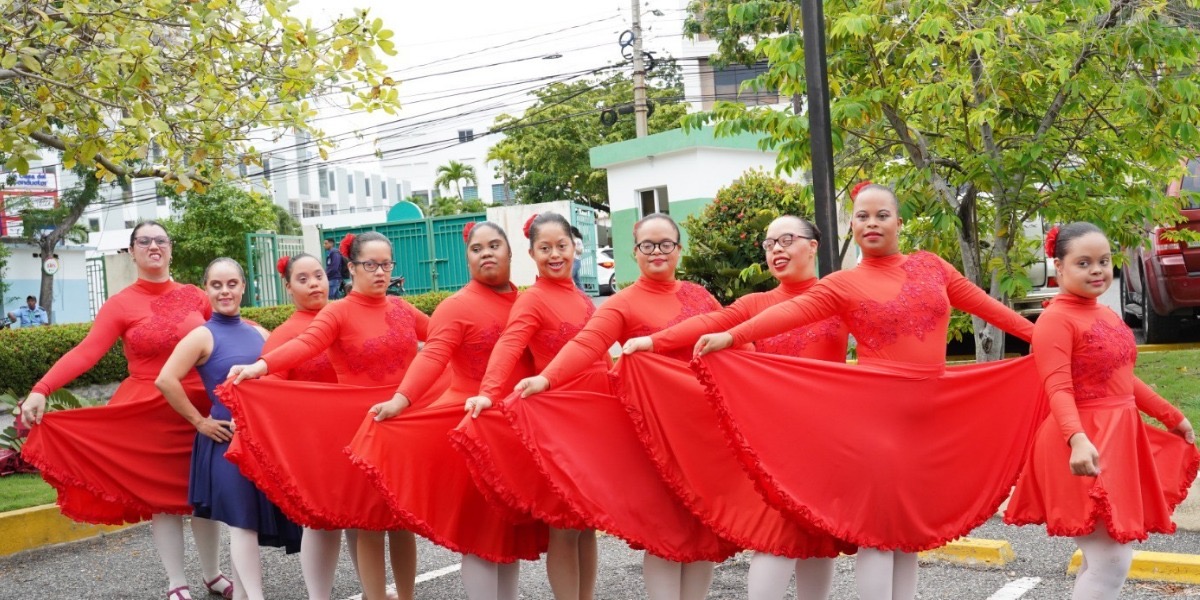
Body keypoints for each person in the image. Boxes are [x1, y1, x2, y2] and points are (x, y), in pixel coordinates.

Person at [692, 184, 1046, 600]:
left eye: (881, 215)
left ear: (899, 222)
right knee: (879, 531)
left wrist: (1044, 338)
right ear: (853, 227)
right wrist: (732, 336)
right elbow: (788, 313)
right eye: (862, 217)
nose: (871, 223)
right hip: (875, 417)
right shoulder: (843, 283)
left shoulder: (932, 267)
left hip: (931, 415)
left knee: (907, 532)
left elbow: (987, 307)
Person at [622, 215, 853, 600]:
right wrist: (653, 343)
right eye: (769, 243)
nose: (776, 249)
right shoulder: (755, 303)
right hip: (777, 442)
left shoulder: (839, 295)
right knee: (776, 539)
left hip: (829, 438)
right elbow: (713, 321)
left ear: (813, 245)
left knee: (819, 539)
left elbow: (881, 339)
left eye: (785, 240)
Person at [508, 213, 737, 600]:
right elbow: (587, 344)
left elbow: (734, 338)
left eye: (665, 243)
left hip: (705, 430)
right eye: (648, 245)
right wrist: (546, 379)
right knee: (667, 533)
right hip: (657, 433)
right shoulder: (622, 303)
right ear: (635, 253)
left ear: (679, 249)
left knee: (705, 527)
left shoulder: (700, 296)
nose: (657, 251)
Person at [19, 221, 233, 600]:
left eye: (160, 240)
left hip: (200, 410)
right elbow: (87, 352)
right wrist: (42, 389)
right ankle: (176, 582)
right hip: (149, 415)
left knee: (205, 495)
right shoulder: (120, 304)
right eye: (144, 241)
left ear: (170, 248)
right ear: (131, 252)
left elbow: (228, 337)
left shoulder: (197, 296)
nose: (153, 246)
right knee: (163, 501)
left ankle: (213, 574)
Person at [226, 231, 440, 600]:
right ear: (352, 268)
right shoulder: (338, 312)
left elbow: (443, 336)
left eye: (386, 265)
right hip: (364, 427)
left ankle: (407, 597)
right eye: (370, 265)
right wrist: (260, 366)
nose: (380, 272)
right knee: (371, 524)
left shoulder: (402, 308)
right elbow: (306, 343)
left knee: (403, 522)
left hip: (403, 422)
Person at [350, 221, 548, 600]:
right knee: (482, 536)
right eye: (476, 248)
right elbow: (433, 356)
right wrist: (400, 400)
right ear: (467, 258)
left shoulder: (528, 302)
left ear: (510, 252)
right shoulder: (457, 306)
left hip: (518, 427)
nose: (486, 253)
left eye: (494, 245)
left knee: (511, 533)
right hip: (475, 427)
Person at [1004, 222, 1199, 600]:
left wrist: (1171, 416)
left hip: (1116, 438)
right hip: (1082, 442)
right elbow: (1058, 389)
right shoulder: (1055, 320)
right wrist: (1076, 440)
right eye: (1084, 263)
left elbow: (1123, 378)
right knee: (1110, 560)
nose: (1097, 270)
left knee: (1104, 558)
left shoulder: (1106, 314)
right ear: (1059, 266)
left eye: (1104, 261)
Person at [459, 213, 604, 600]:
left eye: (561, 246)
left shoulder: (582, 297)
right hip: (561, 423)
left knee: (587, 525)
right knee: (565, 526)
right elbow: (509, 345)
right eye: (545, 248)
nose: (555, 254)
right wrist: (488, 392)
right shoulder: (533, 299)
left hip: (596, 420)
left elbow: (599, 351)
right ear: (531, 254)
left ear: (575, 248)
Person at [156, 258, 303, 600]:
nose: (225, 291)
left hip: (260, 442)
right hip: (225, 442)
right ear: (206, 290)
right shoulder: (202, 335)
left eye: (232, 284)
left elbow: (279, 379)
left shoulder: (259, 333)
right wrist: (200, 422)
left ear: (243, 287)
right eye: (216, 285)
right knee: (242, 522)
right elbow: (165, 379)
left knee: (247, 521)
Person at [222, 253, 354, 600]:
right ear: (288, 287)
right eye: (303, 279)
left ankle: (372, 589)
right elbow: (268, 386)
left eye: (319, 276)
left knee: (362, 519)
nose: (314, 284)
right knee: (322, 522)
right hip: (314, 444)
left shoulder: (348, 317)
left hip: (356, 433)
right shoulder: (285, 334)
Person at [569, 225, 584, 290]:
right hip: (570, 261)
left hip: (576, 261)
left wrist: (574, 246)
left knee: (569, 277)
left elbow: (580, 252)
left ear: (573, 232)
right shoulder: (569, 240)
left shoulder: (578, 240)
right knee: (577, 281)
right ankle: (583, 294)